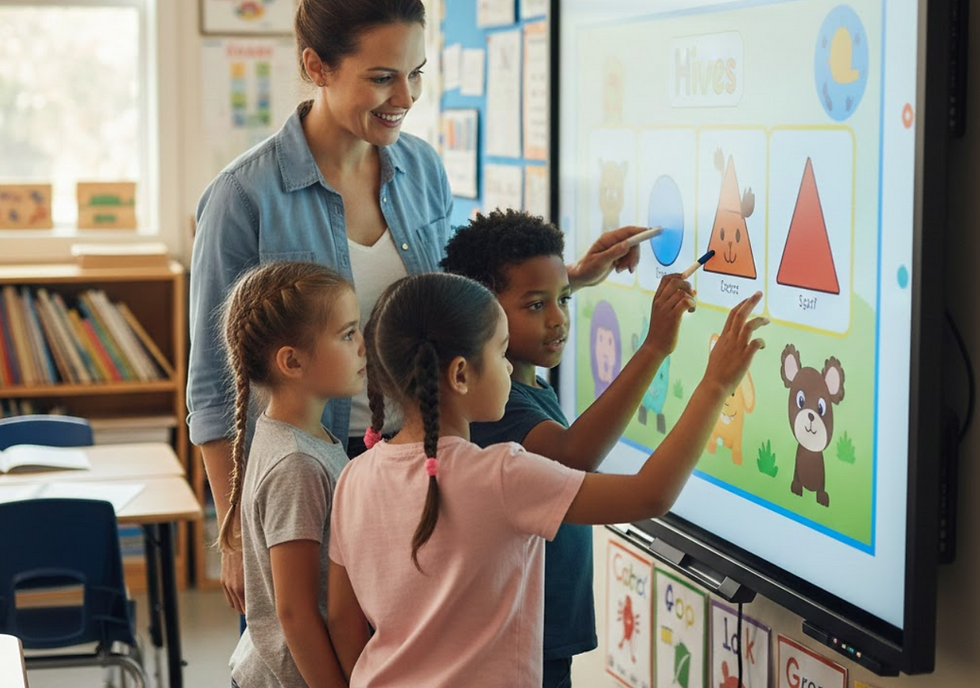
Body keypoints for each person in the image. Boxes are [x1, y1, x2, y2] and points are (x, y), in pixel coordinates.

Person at [187, 0, 646, 614]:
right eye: (381, 78)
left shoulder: (423, 168)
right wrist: (236, 535)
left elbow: (453, 305)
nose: (405, 96)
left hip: (411, 460)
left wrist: (574, 280)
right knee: (309, 657)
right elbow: (215, 390)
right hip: (310, 470)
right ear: (316, 66)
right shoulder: (243, 196)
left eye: (417, 73)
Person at [325, 272, 767, 687]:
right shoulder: (500, 476)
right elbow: (649, 495)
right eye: (501, 354)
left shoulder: (354, 476)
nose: (507, 370)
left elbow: (344, 619)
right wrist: (715, 384)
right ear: (460, 374)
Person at [441, 209, 693, 687]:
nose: (558, 320)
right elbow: (573, 456)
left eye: (563, 300)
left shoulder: (522, 384)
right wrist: (655, 345)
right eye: (536, 306)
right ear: (481, 315)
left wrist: (568, 281)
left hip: (542, 637)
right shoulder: (495, 407)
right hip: (521, 647)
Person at [219, 262, 363, 688]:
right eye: (348, 334)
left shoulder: (301, 437)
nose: (363, 346)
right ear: (292, 362)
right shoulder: (296, 464)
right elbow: (296, 613)